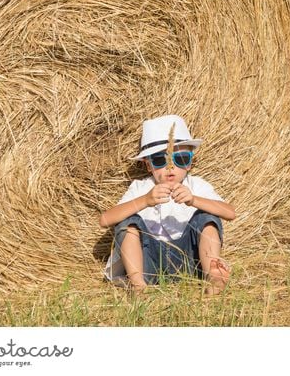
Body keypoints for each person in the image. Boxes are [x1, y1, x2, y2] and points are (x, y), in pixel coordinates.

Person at [100, 114, 235, 294]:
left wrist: (194, 200)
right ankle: (138, 285)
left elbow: (230, 213)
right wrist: (144, 201)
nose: (170, 168)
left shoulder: (196, 185)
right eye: (159, 160)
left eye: (180, 159)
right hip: (148, 263)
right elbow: (105, 220)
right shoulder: (141, 188)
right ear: (148, 166)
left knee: (207, 218)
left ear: (189, 163)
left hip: (190, 262)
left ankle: (214, 278)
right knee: (127, 224)